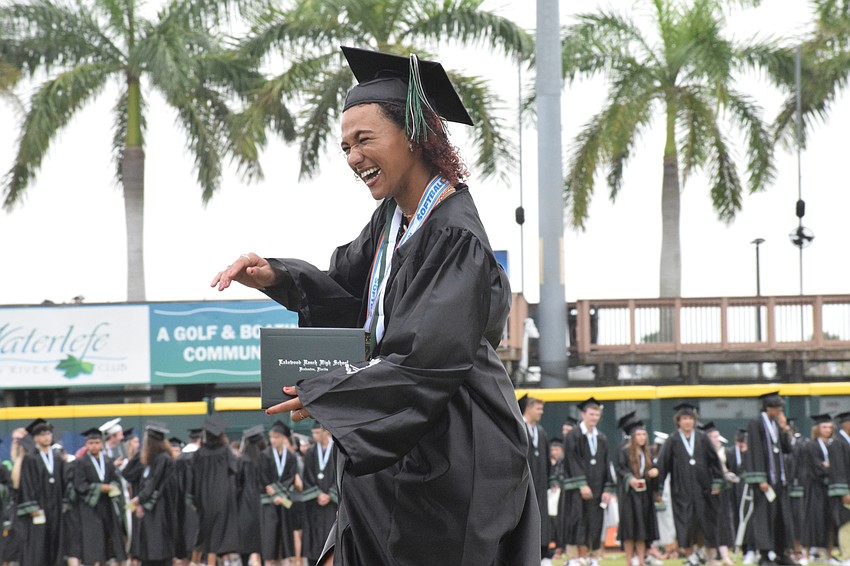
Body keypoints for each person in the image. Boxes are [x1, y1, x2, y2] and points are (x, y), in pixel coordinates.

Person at [211, 45, 540, 566]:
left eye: (364, 140)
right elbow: (348, 295)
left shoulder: (453, 233)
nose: (353, 157)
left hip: (455, 448)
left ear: (413, 136)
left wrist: (327, 394)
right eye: (345, 147)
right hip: (398, 444)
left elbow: (424, 358)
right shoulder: (393, 221)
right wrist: (279, 276)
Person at [656, 402, 723, 566]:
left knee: (704, 523)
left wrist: (717, 482)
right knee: (686, 523)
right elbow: (663, 465)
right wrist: (657, 489)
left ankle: (705, 556)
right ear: (678, 421)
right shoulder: (673, 440)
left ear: (694, 420)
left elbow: (715, 462)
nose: (687, 422)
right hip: (681, 491)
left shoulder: (702, 438)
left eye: (690, 418)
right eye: (684, 418)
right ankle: (691, 555)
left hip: (703, 489)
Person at [742, 391, 797, 566]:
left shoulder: (776, 424)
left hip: (779, 480)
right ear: (768, 408)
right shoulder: (756, 424)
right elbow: (755, 452)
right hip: (765, 482)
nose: (780, 411)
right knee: (764, 518)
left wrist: (784, 429)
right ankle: (764, 556)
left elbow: (788, 449)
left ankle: (782, 553)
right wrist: (760, 479)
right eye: (777, 408)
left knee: (782, 517)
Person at [561, 397, 615, 566]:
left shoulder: (602, 438)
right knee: (579, 521)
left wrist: (607, 488)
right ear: (583, 414)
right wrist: (582, 483)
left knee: (595, 522)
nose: (594, 418)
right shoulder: (574, 435)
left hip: (598, 488)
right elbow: (571, 460)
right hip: (579, 489)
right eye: (591, 414)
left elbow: (606, 463)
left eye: (597, 415)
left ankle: (593, 557)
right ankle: (577, 557)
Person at [126, 422, 178, 566]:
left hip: (159, 510)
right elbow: (130, 474)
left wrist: (138, 499)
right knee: (149, 547)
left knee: (157, 547)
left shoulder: (163, 459)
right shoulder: (153, 460)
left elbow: (154, 483)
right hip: (151, 509)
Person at [190, 414, 240, 565]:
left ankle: (195, 562)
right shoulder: (225, 451)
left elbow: (192, 477)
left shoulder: (199, 453)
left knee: (203, 531)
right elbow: (234, 469)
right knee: (216, 534)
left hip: (202, 498)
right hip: (221, 498)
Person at [74, 427, 127, 565]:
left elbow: (116, 479)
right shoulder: (81, 462)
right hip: (90, 508)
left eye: (97, 442)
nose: (94, 446)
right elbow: (79, 485)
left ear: (102, 444)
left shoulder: (108, 461)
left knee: (108, 538)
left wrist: (113, 486)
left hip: (107, 506)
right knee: (92, 542)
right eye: (91, 443)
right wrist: (99, 488)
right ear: (86, 445)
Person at [16, 418, 66, 566]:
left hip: (56, 506)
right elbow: (26, 483)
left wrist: (64, 502)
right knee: (39, 541)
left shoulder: (57, 458)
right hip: (39, 507)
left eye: (48, 434)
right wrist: (32, 507)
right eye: (42, 434)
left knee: (56, 539)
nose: (46, 437)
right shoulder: (30, 458)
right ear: (35, 437)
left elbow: (64, 481)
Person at [615, 418, 660, 566]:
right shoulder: (624, 451)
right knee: (629, 530)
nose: (642, 437)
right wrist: (630, 479)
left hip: (644, 496)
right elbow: (620, 469)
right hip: (629, 496)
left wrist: (653, 473)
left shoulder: (647, 452)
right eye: (639, 434)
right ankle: (629, 561)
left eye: (644, 434)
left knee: (642, 530)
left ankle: (641, 560)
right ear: (633, 437)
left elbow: (649, 471)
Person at [260, 420, 302, 566]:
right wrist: (273, 493)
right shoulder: (264, 455)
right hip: (269, 502)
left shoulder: (290, 456)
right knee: (270, 537)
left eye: (276, 437)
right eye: (271, 437)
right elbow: (262, 477)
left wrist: (279, 493)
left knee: (284, 537)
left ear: (283, 438)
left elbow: (291, 477)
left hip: (284, 501)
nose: (273, 440)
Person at [799, 414, 836, 564]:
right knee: (812, 521)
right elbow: (817, 468)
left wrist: (828, 465)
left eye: (829, 427)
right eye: (824, 427)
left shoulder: (834, 444)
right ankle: (806, 555)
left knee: (831, 521)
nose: (827, 430)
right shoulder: (811, 445)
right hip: (814, 488)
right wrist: (828, 466)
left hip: (831, 488)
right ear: (817, 429)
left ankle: (828, 555)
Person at [301, 422, 338, 566]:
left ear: (326, 432)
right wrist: (318, 494)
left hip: (332, 505)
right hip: (315, 504)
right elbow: (307, 477)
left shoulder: (336, 449)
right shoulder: (310, 453)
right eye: (313, 433)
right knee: (314, 535)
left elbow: (340, 473)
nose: (314, 436)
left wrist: (331, 494)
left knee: (330, 532)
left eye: (317, 433)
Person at [701, 422, 737, 566]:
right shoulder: (703, 453)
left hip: (723, 492)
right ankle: (711, 557)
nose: (716, 439)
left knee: (724, 523)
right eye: (713, 437)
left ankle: (725, 555)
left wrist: (728, 475)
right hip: (709, 492)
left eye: (717, 436)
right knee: (710, 525)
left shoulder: (725, 452)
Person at [521, 394, 552, 556]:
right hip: (524, 484)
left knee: (541, 515)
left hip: (540, 485)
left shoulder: (540, 432)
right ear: (529, 408)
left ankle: (542, 550)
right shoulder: (519, 428)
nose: (541, 412)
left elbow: (547, 460)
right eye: (538, 408)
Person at [236, 425, 265, 566]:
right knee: (263, 540)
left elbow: (237, 484)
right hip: (263, 503)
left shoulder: (242, 460)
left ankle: (244, 562)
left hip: (245, 505)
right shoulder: (266, 457)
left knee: (246, 541)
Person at [829, 412, 850, 566]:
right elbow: (838, 469)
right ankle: (846, 556)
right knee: (846, 524)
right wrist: (844, 491)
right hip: (845, 491)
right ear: (846, 424)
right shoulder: (838, 443)